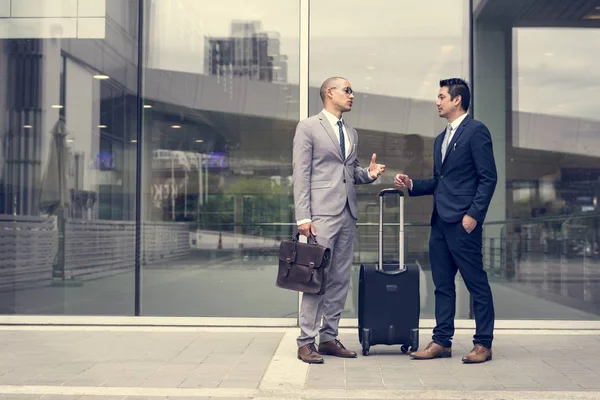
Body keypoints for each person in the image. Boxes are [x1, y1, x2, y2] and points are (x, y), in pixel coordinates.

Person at [394, 78, 497, 364]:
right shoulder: (441, 138)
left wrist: (473, 215)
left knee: (476, 284)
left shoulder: (476, 131)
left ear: (457, 100)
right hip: (439, 222)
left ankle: (483, 344)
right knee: (442, 285)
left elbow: (488, 178)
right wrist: (411, 184)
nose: (437, 102)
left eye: (441, 97)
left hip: (463, 222)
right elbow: (442, 182)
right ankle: (442, 341)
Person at [292, 76, 385, 364]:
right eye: (347, 90)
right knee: (315, 278)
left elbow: (351, 172)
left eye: (352, 91)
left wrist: (368, 175)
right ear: (329, 92)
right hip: (320, 215)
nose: (352, 95)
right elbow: (301, 173)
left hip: (347, 213)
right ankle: (306, 341)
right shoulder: (308, 127)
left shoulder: (352, 133)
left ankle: (329, 337)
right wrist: (303, 216)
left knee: (340, 279)